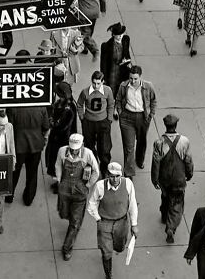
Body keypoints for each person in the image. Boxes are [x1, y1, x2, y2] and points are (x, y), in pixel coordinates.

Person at [87, 161, 138, 279]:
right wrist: (98, 219)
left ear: (121, 175)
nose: (114, 179)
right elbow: (91, 205)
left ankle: (115, 248)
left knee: (120, 247)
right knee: (106, 253)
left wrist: (134, 224)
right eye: (111, 176)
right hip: (105, 223)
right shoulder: (100, 186)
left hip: (122, 223)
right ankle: (108, 274)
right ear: (107, 175)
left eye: (117, 176)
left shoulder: (128, 184)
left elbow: (132, 205)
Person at [55, 132, 100, 260]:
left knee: (74, 223)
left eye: (76, 149)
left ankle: (67, 247)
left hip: (80, 191)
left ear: (82, 145)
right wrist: (59, 180)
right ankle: (75, 220)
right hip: (64, 189)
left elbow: (96, 171)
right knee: (63, 213)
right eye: (72, 149)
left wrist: (88, 185)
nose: (74, 152)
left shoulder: (88, 154)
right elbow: (58, 165)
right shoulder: (62, 151)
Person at [151, 113, 194, 244]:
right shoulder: (184, 141)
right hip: (178, 178)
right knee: (177, 203)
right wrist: (189, 173)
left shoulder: (158, 142)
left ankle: (164, 215)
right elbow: (188, 160)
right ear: (176, 125)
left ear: (165, 125)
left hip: (164, 178)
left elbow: (156, 162)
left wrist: (155, 179)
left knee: (165, 196)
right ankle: (171, 227)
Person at [115, 64, 157, 178]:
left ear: (140, 77)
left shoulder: (148, 87)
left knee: (142, 142)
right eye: (131, 78)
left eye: (135, 79)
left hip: (143, 118)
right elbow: (118, 100)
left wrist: (151, 115)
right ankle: (129, 172)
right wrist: (120, 112)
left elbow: (153, 100)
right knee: (129, 147)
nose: (133, 81)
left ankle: (139, 160)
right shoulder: (124, 86)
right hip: (127, 118)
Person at [7, 103, 50, 205]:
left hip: (18, 145)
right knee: (32, 173)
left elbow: (9, 128)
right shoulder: (41, 107)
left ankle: (9, 196)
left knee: (14, 172)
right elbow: (46, 126)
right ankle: (28, 198)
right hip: (36, 145)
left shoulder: (13, 107)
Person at [77, 70, 114, 178]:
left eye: (98, 83)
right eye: (94, 83)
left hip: (103, 122)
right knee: (89, 146)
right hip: (89, 123)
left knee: (105, 147)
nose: (96, 85)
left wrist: (109, 119)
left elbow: (111, 104)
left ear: (103, 82)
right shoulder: (85, 92)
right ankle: (93, 166)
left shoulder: (107, 91)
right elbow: (79, 104)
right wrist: (82, 117)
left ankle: (104, 168)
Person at [46, 81, 79, 194]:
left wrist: (50, 121)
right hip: (59, 139)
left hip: (63, 141)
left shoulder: (68, 109)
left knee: (61, 163)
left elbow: (60, 125)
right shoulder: (63, 104)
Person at [99, 22, 132, 99]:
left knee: (123, 89)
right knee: (112, 90)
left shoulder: (126, 39)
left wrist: (127, 60)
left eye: (121, 34)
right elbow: (103, 63)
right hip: (112, 71)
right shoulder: (106, 46)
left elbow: (127, 52)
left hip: (123, 70)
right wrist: (103, 77)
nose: (120, 36)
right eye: (118, 35)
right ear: (113, 35)